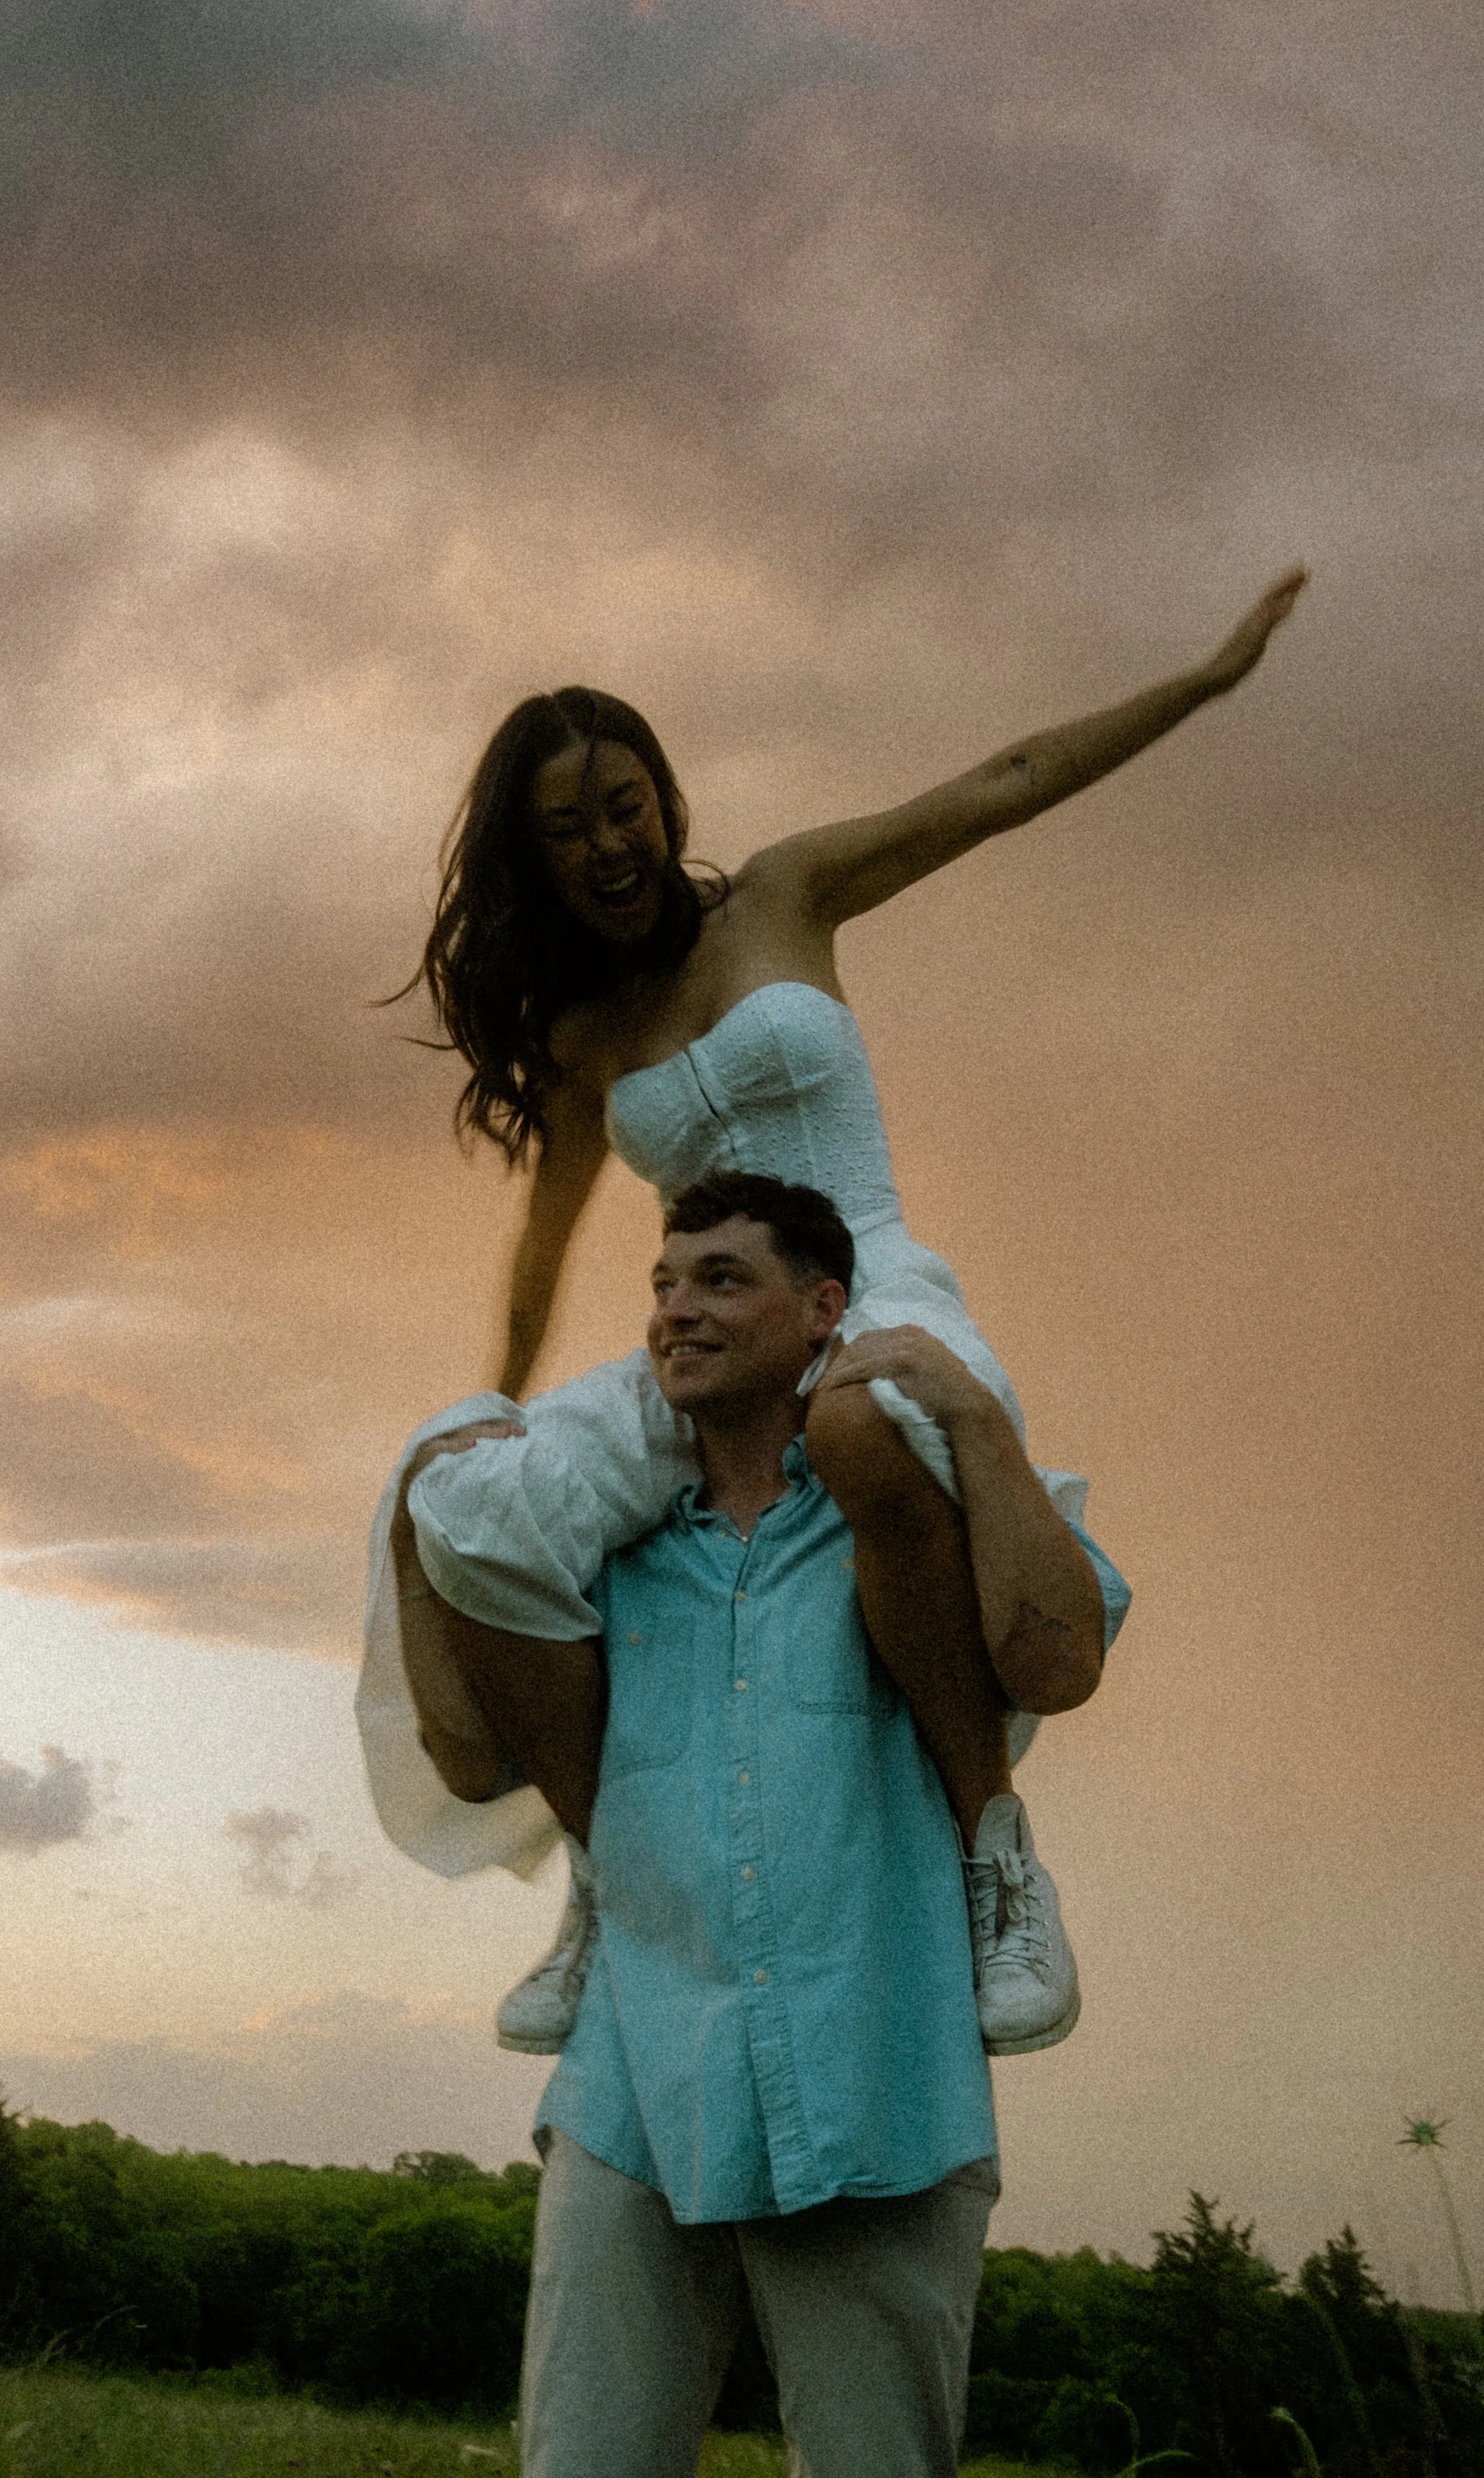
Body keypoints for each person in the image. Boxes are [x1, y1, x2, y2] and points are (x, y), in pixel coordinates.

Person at [355, 568, 1305, 2051]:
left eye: (622, 805)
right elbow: (545, 1239)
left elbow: (1004, 782)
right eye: (562, 829)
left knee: (866, 1421)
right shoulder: (584, 1034)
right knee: (464, 1505)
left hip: (862, 1280)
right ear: (531, 860)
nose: (605, 844)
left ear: (663, 800)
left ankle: (995, 1860)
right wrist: (499, 1399)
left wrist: (1203, 677)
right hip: (717, 1323)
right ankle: (607, 1881)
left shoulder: (788, 895)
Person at [400, 1176, 1123, 2477]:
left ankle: (1001, 1874)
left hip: (871, 2087)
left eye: (722, 1280)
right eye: (663, 1285)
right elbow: (463, 1763)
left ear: (822, 1310)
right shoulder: (601, 1549)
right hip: (633, 2085)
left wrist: (960, 1401)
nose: (676, 1310)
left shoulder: (901, 1517)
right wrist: (420, 1514)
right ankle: (590, 1906)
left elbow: (1059, 1655)